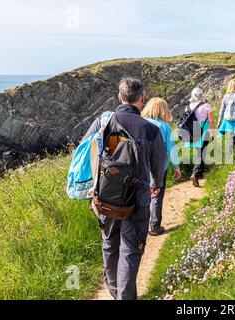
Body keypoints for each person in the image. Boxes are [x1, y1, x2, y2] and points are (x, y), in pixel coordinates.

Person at [81, 77, 166, 300]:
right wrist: (156, 185)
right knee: (130, 250)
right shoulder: (151, 129)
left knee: (110, 243)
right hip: (137, 200)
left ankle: (115, 290)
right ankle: (125, 297)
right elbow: (159, 167)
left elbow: (84, 151)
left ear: (120, 98)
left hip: (106, 197)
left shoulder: (103, 122)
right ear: (142, 98)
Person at [141, 98, 181, 236]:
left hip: (141, 166)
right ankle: (155, 226)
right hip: (158, 167)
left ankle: (140, 226)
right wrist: (176, 166)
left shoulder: (141, 123)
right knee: (156, 195)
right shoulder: (165, 127)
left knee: (142, 195)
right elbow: (172, 148)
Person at [184, 87, 215, 188]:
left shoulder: (188, 107)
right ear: (202, 95)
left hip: (192, 130)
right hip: (203, 130)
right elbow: (211, 121)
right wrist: (214, 133)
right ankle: (195, 173)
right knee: (201, 152)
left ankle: (199, 173)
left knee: (199, 151)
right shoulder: (206, 106)